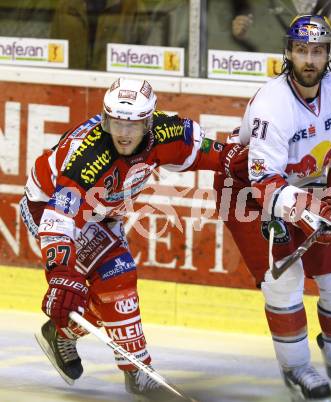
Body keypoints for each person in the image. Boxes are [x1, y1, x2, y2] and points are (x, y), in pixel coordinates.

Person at [20, 77, 244, 401]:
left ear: (149, 122)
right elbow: (59, 217)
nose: (123, 133)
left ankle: (61, 333)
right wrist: (62, 275)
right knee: (117, 275)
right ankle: (137, 372)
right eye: (116, 122)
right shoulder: (90, 156)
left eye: (133, 124)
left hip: (103, 213)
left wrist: (236, 162)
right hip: (48, 207)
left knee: (107, 290)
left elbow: (202, 150)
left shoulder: (164, 132)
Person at [214, 15, 331, 401]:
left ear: (328, 55)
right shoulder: (272, 104)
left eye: (318, 51)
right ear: (288, 53)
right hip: (247, 195)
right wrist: (309, 209)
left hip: (303, 186)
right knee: (283, 283)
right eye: (302, 50)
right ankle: (296, 369)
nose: (310, 59)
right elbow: (264, 182)